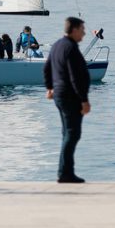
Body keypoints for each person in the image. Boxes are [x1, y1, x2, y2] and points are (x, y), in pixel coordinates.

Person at [45, 16, 91, 183]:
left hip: (60, 95)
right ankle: (65, 173)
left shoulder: (57, 45)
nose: (84, 33)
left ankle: (65, 171)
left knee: (67, 133)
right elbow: (75, 77)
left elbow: (47, 67)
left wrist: (50, 87)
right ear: (74, 29)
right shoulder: (70, 48)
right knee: (73, 133)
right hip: (70, 96)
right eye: (82, 29)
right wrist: (84, 100)